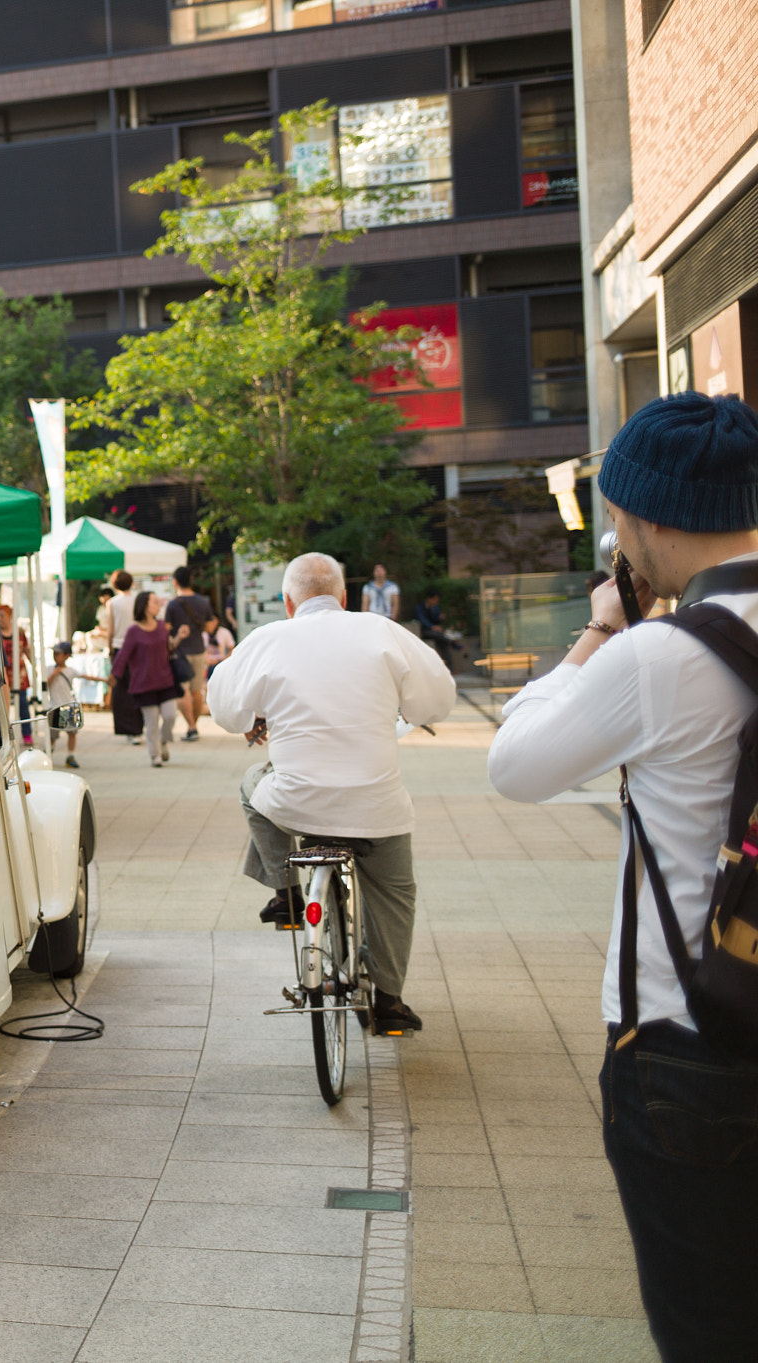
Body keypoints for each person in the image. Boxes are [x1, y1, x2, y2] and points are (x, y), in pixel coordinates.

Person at [487, 394, 758, 1360]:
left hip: (688, 1041)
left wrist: (600, 631)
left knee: (710, 1329)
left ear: (647, 518)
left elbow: (514, 766)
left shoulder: (660, 657)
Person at [207, 551, 454, 1034]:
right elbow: (437, 699)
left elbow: (228, 711)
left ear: (287, 602)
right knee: (395, 895)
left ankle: (288, 894)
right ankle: (389, 1002)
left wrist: (258, 711)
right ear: (344, 597)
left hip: (298, 805)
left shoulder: (268, 638)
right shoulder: (383, 631)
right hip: (377, 808)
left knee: (251, 785)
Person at [111, 590, 182, 767]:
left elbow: (169, 649)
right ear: (144, 606)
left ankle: (164, 740)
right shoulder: (133, 631)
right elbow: (123, 655)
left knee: (170, 715)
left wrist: (179, 637)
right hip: (143, 683)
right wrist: (114, 675)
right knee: (151, 723)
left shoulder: (161, 626)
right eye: (155, 602)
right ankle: (155, 755)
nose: (158, 605)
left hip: (165, 680)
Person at [164, 566, 215, 741]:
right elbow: (209, 627)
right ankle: (193, 726)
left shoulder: (172, 604)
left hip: (180, 653)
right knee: (197, 690)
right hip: (199, 650)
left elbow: (166, 631)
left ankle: (191, 726)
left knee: (182, 691)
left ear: (175, 581)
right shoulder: (203, 602)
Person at [106, 571, 143, 741]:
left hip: (120, 647)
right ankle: (140, 728)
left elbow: (111, 629)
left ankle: (128, 730)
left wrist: (109, 648)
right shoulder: (138, 599)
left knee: (122, 691)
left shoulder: (112, 603)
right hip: (139, 648)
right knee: (140, 687)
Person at [0, 601, 33, 743]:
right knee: (3, 704)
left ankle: (27, 733)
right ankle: (3, 732)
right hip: (3, 674)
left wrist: (33, 666)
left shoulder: (19, 632)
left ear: (9, 616)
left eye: (2, 616)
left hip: (19, 674)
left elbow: (27, 650)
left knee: (23, 704)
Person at [42, 640, 79, 769]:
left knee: (72, 733)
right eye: (54, 653)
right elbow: (44, 685)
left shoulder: (70, 671)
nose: (55, 656)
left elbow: (86, 676)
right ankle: (48, 753)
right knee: (53, 735)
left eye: (58, 653)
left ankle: (71, 755)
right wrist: (53, 674)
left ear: (66, 656)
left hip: (68, 705)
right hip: (55, 707)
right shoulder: (49, 669)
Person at [412, 588, 454, 672]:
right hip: (423, 631)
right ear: (429, 598)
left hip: (435, 632)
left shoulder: (435, 608)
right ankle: (452, 643)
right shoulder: (419, 607)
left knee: (443, 642)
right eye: (435, 599)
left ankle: (449, 667)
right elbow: (422, 620)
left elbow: (436, 620)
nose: (436, 602)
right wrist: (432, 627)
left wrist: (440, 618)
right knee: (441, 638)